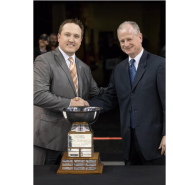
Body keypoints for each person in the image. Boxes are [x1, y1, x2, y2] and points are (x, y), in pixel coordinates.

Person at [88, 21, 166, 165]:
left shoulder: (160, 64)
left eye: (129, 39)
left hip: (156, 143)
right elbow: (109, 99)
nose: (126, 44)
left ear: (140, 37)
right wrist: (86, 105)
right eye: (122, 41)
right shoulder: (118, 69)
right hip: (129, 143)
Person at [34, 18, 105, 165]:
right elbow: (38, 95)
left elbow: (96, 93)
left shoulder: (84, 68)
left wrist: (122, 87)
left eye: (76, 36)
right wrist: (70, 103)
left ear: (81, 40)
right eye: (67, 35)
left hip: (75, 141)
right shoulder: (44, 61)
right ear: (59, 37)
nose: (72, 40)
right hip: (47, 141)